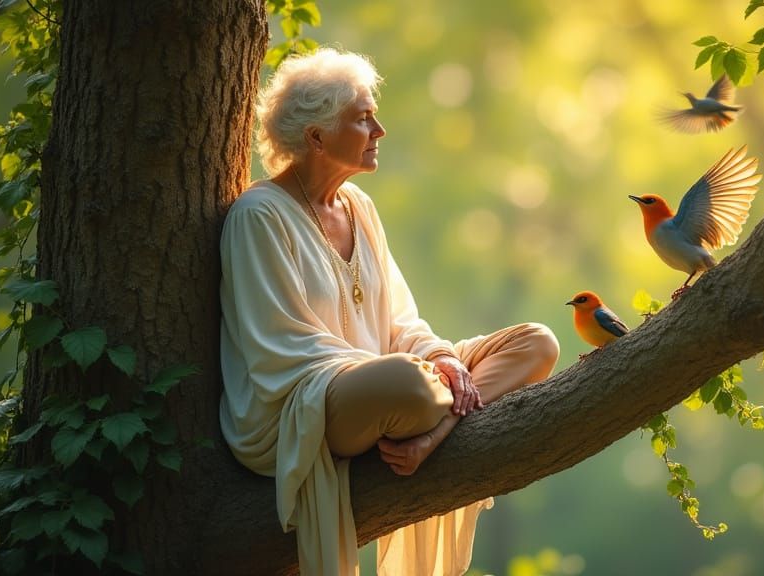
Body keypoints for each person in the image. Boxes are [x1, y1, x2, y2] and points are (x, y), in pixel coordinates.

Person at [218, 47, 560, 576]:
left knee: (537, 342)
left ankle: (437, 431)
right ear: (316, 137)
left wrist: (442, 357)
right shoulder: (258, 215)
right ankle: (435, 407)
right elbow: (279, 346)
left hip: (394, 385)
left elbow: (400, 320)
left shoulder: (359, 206)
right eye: (362, 119)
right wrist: (414, 370)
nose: (379, 129)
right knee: (406, 382)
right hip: (305, 404)